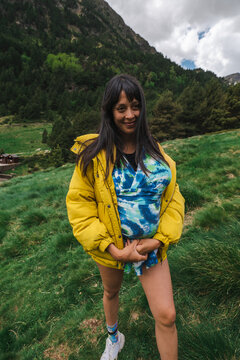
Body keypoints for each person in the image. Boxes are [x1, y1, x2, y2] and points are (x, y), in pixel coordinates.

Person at [66, 74, 185, 360]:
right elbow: (80, 208)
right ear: (110, 111)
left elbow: (174, 199)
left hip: (148, 247)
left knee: (167, 315)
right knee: (111, 292)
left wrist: (157, 240)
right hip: (112, 245)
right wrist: (114, 251)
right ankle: (113, 337)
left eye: (135, 106)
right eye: (121, 108)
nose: (130, 114)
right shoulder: (93, 154)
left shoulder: (156, 150)